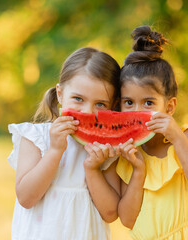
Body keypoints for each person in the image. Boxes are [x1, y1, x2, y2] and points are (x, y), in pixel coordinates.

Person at [116, 26, 188, 240]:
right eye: (129, 102)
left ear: (169, 107)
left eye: (148, 102)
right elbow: (127, 220)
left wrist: (177, 137)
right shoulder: (127, 153)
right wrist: (138, 171)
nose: (138, 112)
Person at [7, 47, 121, 240]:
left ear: (113, 105)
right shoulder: (35, 137)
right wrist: (54, 151)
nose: (87, 111)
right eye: (78, 99)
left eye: (100, 104)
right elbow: (26, 198)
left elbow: (110, 213)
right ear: (60, 94)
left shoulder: (106, 148)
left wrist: (93, 169)